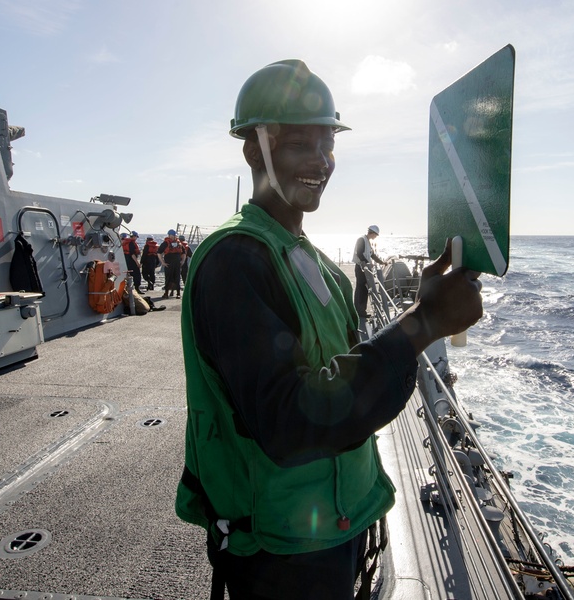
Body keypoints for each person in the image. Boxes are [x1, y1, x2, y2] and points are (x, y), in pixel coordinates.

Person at [175, 59, 483, 600]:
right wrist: (424, 322)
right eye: (300, 145)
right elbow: (290, 421)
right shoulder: (233, 260)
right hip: (280, 552)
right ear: (254, 149)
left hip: (338, 524)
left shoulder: (315, 263)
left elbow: (342, 379)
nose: (320, 162)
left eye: (327, 145)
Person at [353, 224, 384, 324]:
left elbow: (372, 255)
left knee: (365, 289)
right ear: (372, 233)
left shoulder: (368, 242)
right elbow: (359, 253)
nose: (375, 237)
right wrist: (367, 263)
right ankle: (359, 311)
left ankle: (362, 310)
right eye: (376, 235)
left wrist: (381, 262)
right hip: (360, 268)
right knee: (360, 288)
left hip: (365, 268)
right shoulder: (361, 240)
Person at [159, 229, 184, 299]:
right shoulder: (165, 243)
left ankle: (178, 293)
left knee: (177, 278)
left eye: (174, 235)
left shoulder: (178, 243)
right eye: (172, 235)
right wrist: (162, 262)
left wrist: (183, 261)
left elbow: (183, 252)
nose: (173, 237)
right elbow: (159, 252)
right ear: (169, 235)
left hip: (177, 263)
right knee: (168, 278)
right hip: (168, 263)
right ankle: (166, 293)